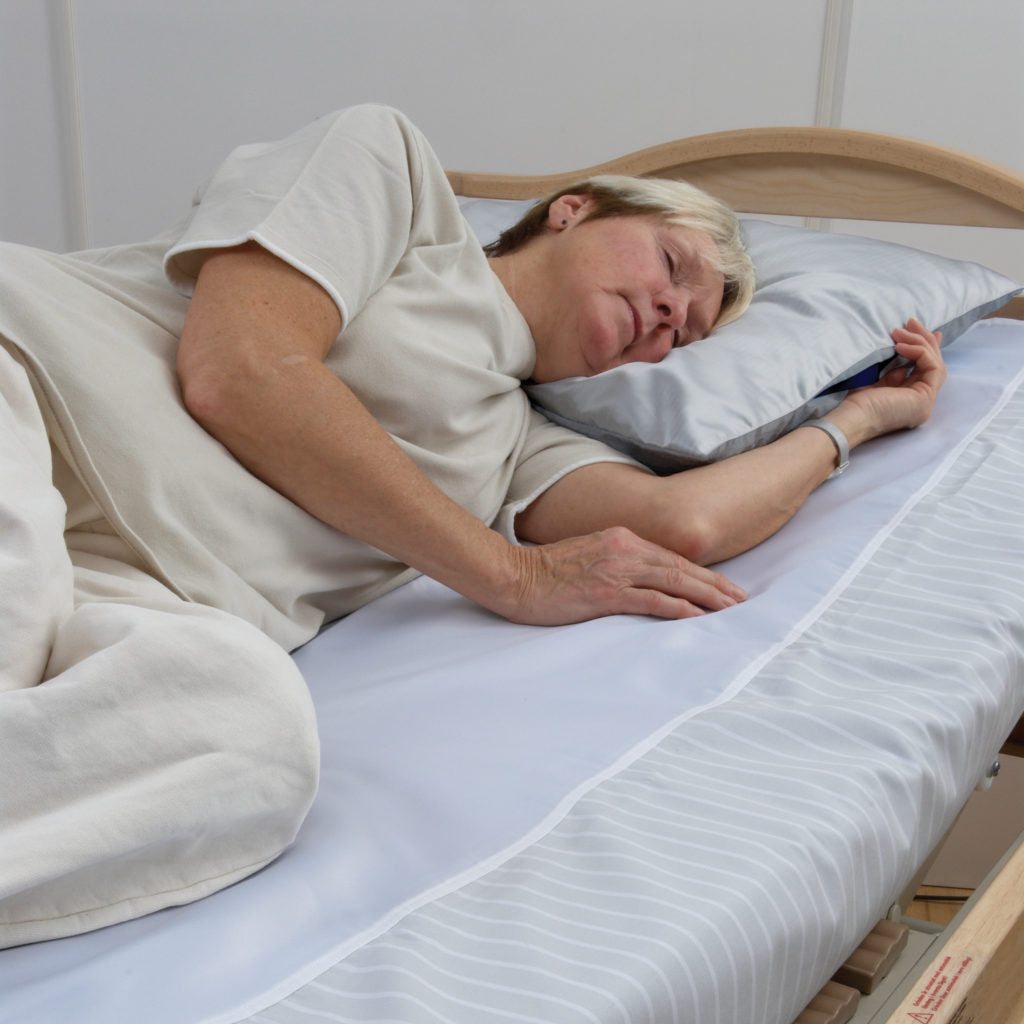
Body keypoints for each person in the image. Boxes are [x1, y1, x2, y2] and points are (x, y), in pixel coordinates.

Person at [0, 105, 946, 947]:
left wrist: (862, 417)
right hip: (29, 393)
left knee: (252, 740)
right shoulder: (396, 177)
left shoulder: (512, 446)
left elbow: (683, 521)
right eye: (670, 266)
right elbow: (238, 366)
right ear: (575, 208)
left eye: (683, 335)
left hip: (116, 590)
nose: (666, 315)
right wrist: (510, 575)